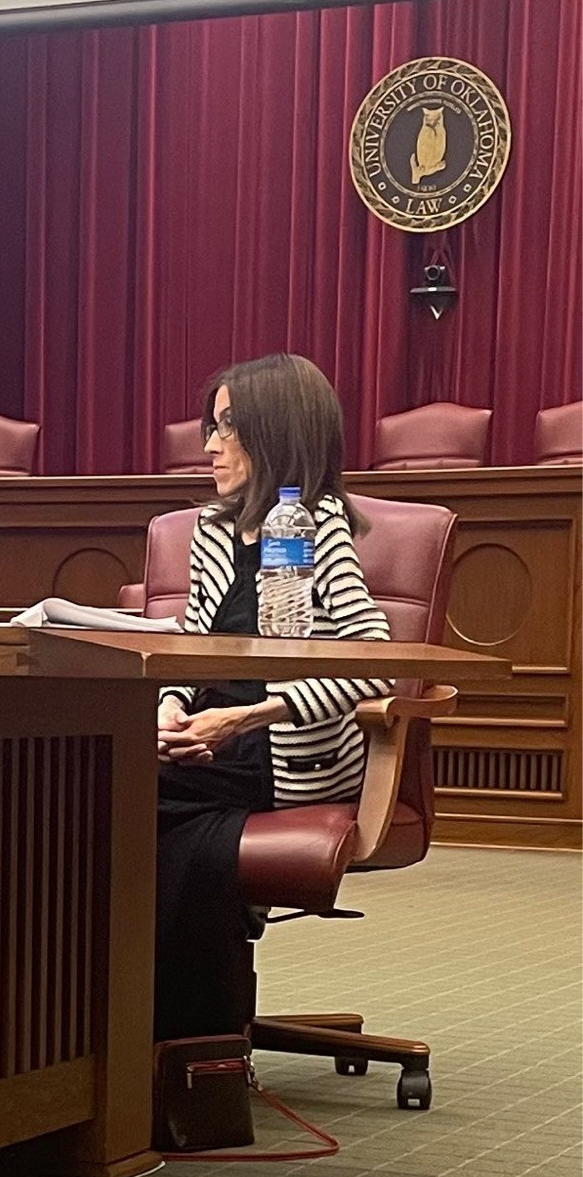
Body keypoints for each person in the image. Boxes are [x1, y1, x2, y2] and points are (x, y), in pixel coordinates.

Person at [155, 353, 391, 1041]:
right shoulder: (213, 528)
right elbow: (192, 648)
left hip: (288, 753)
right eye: (211, 425)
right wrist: (169, 704)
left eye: (227, 427)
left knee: (131, 794)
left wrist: (253, 714)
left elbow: (375, 661)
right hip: (212, 738)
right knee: (103, 784)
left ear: (274, 432)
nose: (208, 445)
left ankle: (188, 1036)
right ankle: (163, 1026)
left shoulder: (313, 523)